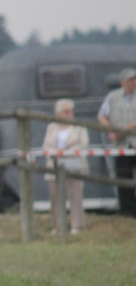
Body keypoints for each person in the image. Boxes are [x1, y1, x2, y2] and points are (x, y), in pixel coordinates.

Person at [42, 98, 89, 235]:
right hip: (54, 163)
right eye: (66, 112)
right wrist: (55, 153)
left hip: (74, 162)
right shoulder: (51, 127)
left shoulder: (79, 126)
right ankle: (58, 225)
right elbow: (46, 145)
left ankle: (77, 225)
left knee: (75, 194)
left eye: (71, 111)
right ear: (59, 113)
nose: (69, 114)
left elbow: (83, 144)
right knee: (55, 196)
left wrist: (67, 153)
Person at [96, 67, 136, 217]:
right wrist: (110, 131)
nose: (134, 82)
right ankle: (127, 211)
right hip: (121, 146)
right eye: (131, 79)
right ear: (122, 82)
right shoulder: (112, 97)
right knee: (123, 177)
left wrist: (123, 130)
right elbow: (102, 115)